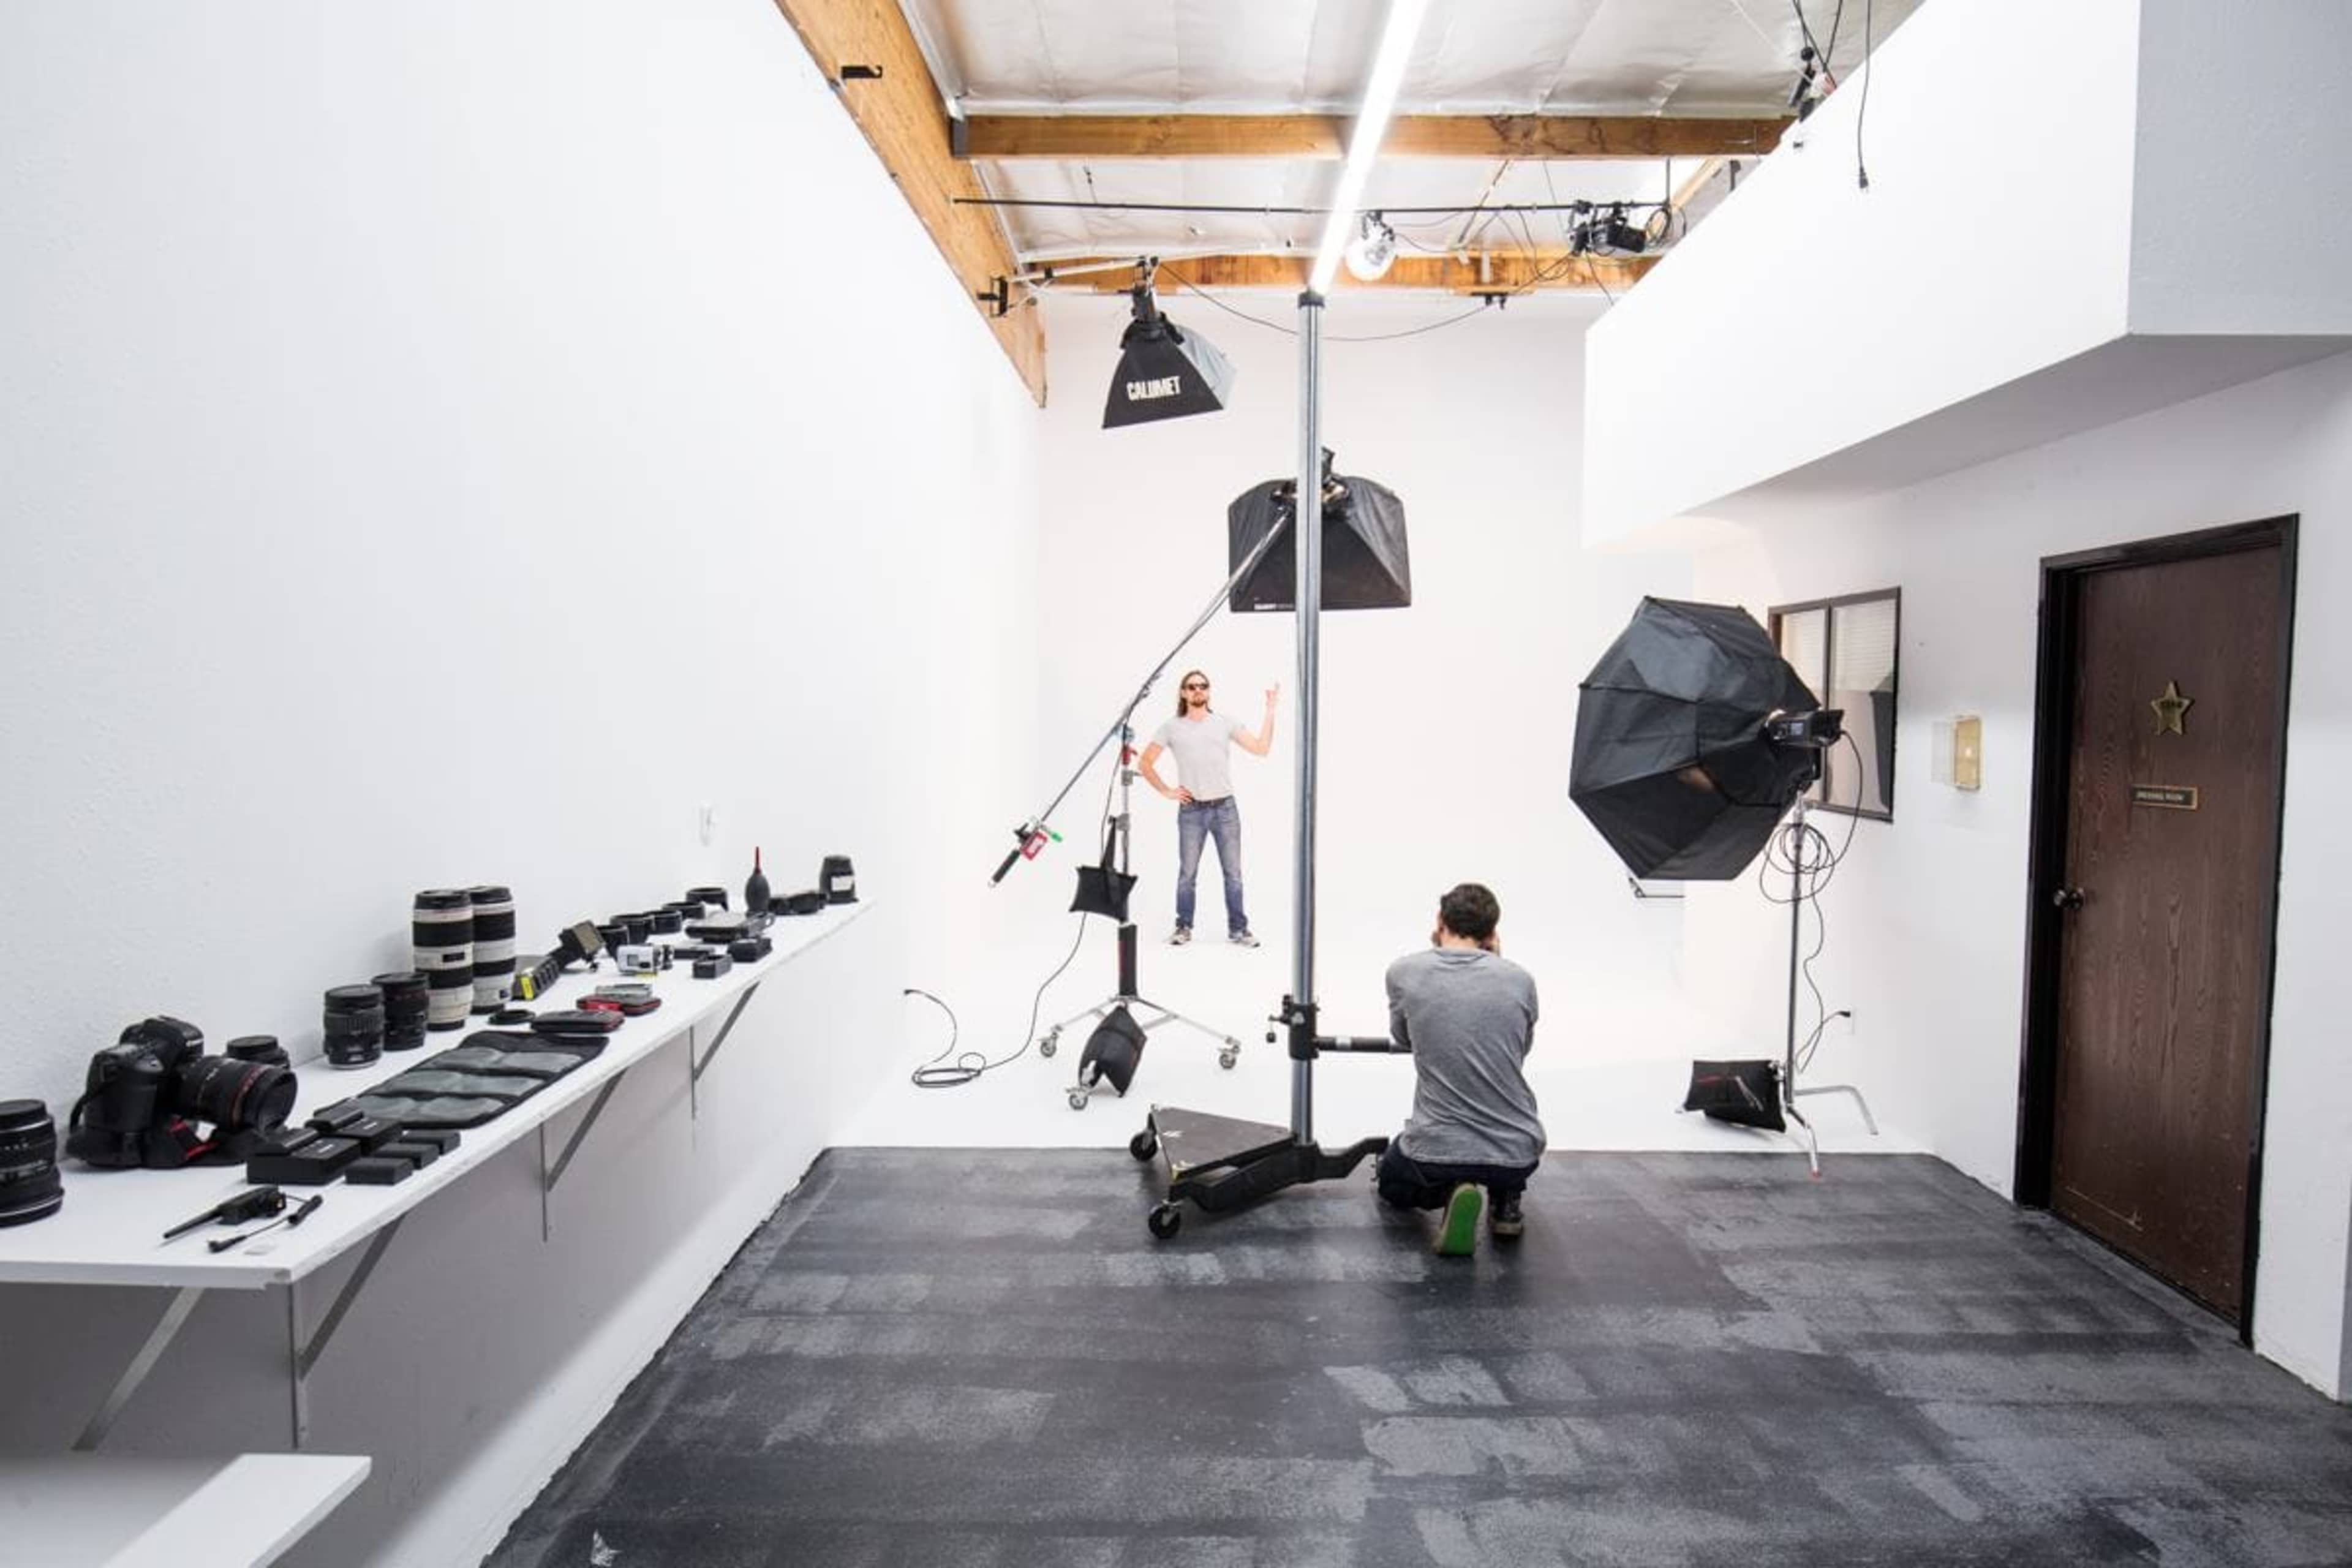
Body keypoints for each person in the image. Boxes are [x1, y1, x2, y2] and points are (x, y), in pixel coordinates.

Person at [1376, 883, 1544, 1256]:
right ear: (1492, 932)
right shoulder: (1520, 979)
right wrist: (1498, 962)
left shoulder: (1404, 972)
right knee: (1498, 1159)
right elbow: (1519, 1050)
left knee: (1392, 1183)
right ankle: (1506, 1203)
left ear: (1440, 921)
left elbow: (1404, 1039)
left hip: (1433, 1151)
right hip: (1517, 1152)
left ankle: (1453, 1190)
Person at [1137, 669, 1277, 948]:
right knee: (1187, 873)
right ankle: (1183, 927)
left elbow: (1261, 749)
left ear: (1209, 691)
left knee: (1233, 874)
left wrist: (1270, 711)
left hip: (1225, 809)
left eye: (1203, 686)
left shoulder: (1224, 723)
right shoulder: (1171, 727)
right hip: (1192, 811)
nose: (1198, 690)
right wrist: (1167, 791)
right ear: (1183, 693)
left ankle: (1239, 930)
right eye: (1192, 687)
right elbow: (1145, 763)